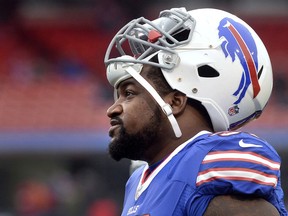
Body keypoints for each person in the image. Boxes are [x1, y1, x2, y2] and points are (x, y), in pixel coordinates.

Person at [104, 7, 287, 216]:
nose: (113, 109)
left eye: (129, 94)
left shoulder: (208, 165)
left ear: (175, 102)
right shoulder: (140, 178)